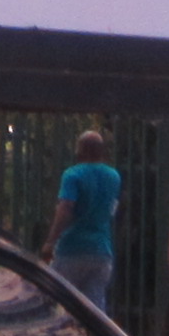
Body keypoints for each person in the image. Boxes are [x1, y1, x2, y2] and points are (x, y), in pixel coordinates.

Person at [47, 129, 124, 308]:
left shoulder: (72, 175)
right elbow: (112, 208)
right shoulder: (114, 177)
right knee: (93, 308)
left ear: (80, 150)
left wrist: (50, 242)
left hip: (71, 249)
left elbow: (66, 208)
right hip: (101, 250)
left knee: (60, 304)